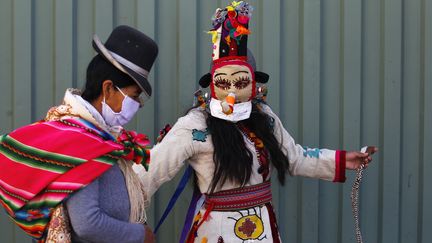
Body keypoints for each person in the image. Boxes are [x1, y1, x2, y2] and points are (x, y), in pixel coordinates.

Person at [137, 1, 377, 243]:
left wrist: (342, 160)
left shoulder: (264, 118)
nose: (231, 91)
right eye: (223, 83)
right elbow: (154, 168)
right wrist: (125, 215)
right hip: (216, 230)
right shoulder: (196, 125)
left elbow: (294, 157)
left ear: (254, 84)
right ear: (212, 84)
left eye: (240, 83)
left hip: (262, 227)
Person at [0, 25, 158, 243]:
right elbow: (87, 223)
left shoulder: (100, 138)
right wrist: (141, 235)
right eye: (134, 95)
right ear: (109, 88)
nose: (138, 105)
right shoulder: (82, 144)